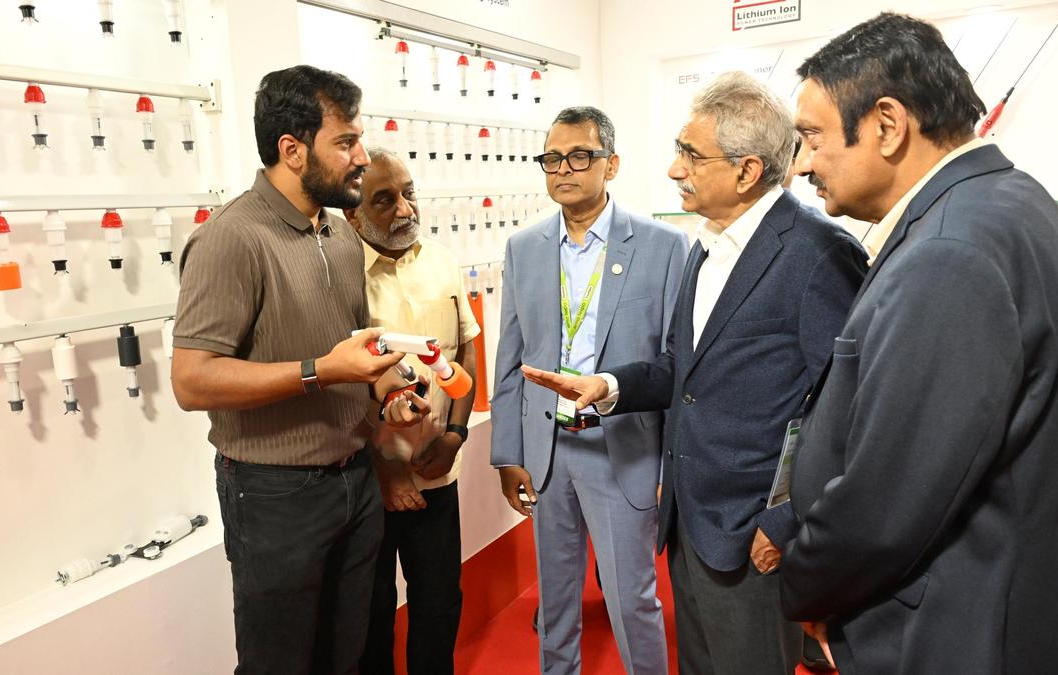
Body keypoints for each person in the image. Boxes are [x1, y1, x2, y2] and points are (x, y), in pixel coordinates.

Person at [521, 73, 867, 675]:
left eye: (691, 155)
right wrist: (610, 386)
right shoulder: (707, 246)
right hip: (690, 524)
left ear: (747, 170)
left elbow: (848, 406)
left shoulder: (818, 253)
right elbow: (684, 370)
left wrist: (786, 521)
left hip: (753, 536)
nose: (675, 170)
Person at [780, 13, 1058, 674]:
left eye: (813, 137)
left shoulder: (949, 253)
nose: (803, 164)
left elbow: (886, 503)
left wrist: (806, 587)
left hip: (950, 628)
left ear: (887, 124)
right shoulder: (1010, 200)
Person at [170, 65, 428, 675]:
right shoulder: (230, 239)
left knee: (345, 656)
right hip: (274, 494)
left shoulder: (338, 234)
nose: (362, 157)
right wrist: (321, 371)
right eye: (346, 143)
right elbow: (192, 380)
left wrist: (390, 392)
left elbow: (355, 353)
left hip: (355, 479)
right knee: (280, 663)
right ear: (292, 150)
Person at [491, 106, 687, 674]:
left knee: (632, 599)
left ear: (612, 164)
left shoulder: (663, 246)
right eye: (552, 158)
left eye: (580, 156)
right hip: (548, 452)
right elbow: (510, 359)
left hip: (622, 447)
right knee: (555, 602)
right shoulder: (524, 248)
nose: (563, 169)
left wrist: (669, 465)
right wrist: (508, 454)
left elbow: (677, 365)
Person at [346, 148, 480, 675]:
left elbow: (464, 351)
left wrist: (455, 435)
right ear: (352, 213)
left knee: (439, 601)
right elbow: (336, 387)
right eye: (385, 200)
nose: (405, 209)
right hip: (367, 484)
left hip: (436, 468)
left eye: (409, 193)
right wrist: (384, 466)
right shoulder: (339, 276)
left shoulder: (441, 260)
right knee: (371, 615)